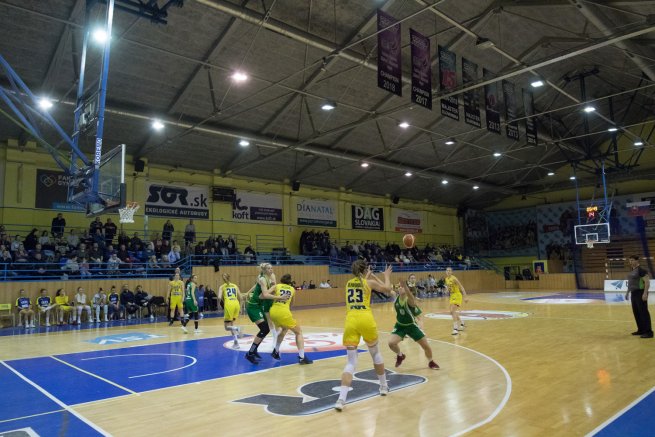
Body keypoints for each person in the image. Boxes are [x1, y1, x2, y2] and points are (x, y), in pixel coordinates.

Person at [335, 260, 392, 411]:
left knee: (351, 362)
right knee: (375, 354)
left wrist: (367, 275)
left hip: (351, 321)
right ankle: (383, 386)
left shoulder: (348, 284)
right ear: (365, 270)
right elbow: (387, 289)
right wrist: (386, 275)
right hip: (366, 319)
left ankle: (341, 399)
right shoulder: (369, 283)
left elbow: (361, 283)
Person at [388, 281, 439, 370]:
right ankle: (400, 355)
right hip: (400, 326)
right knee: (391, 343)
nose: (400, 287)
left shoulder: (410, 302)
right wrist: (377, 276)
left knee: (426, 346)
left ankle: (431, 362)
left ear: (407, 289)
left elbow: (420, 318)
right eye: (399, 286)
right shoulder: (396, 297)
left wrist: (421, 329)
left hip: (411, 327)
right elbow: (386, 288)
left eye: (402, 286)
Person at [244, 263, 288, 364]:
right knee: (264, 328)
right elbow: (265, 295)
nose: (271, 270)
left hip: (259, 306)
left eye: (271, 268)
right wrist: (280, 297)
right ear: (264, 270)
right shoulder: (263, 279)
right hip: (253, 306)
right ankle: (250, 353)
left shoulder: (268, 278)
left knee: (265, 329)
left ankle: (254, 351)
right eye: (268, 268)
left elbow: (263, 292)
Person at [269, 274, 313, 364]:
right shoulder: (292, 289)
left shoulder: (277, 286)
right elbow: (292, 304)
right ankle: (302, 357)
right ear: (290, 281)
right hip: (284, 312)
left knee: (284, 330)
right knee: (298, 332)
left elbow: (266, 294)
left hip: (273, 312)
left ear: (281, 280)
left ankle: (276, 351)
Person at [625, 255, 653, 338]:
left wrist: (645, 293)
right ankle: (641, 330)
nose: (631, 262)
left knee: (643, 312)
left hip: (640, 293)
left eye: (632, 260)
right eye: (630, 260)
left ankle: (649, 332)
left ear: (637, 261)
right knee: (636, 312)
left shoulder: (641, 270)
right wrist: (627, 293)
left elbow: (647, 282)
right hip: (634, 293)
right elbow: (630, 283)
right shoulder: (632, 270)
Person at [219, 273, 243, 348]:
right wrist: (241, 308)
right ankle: (236, 343)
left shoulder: (222, 287)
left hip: (229, 304)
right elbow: (241, 298)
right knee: (231, 324)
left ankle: (237, 328)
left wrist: (221, 302)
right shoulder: (235, 285)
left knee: (226, 327)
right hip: (236, 304)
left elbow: (219, 298)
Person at [445, 267, 468, 335]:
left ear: (452, 272)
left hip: (457, 295)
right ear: (446, 272)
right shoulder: (446, 279)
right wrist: (447, 290)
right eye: (447, 270)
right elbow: (449, 287)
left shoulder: (454, 278)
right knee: (452, 312)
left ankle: (455, 329)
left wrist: (465, 297)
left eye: (450, 270)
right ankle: (462, 322)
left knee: (452, 311)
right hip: (452, 296)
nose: (448, 272)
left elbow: (461, 287)